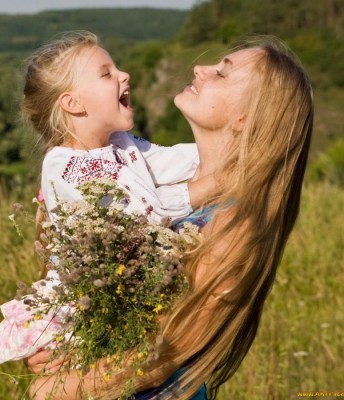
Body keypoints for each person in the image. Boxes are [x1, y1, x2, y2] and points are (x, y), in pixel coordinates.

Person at [25, 36, 314, 400]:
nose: (200, 68)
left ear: (245, 118)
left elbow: (170, 348)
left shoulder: (235, 219)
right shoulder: (147, 175)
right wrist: (52, 344)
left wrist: (59, 388)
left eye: (221, 74)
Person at [0, 31, 215, 366]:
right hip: (84, 313)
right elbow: (145, 214)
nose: (123, 75)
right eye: (106, 73)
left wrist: (231, 149)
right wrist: (221, 181)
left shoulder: (121, 144)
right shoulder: (65, 166)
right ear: (73, 103)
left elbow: (173, 160)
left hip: (122, 297)